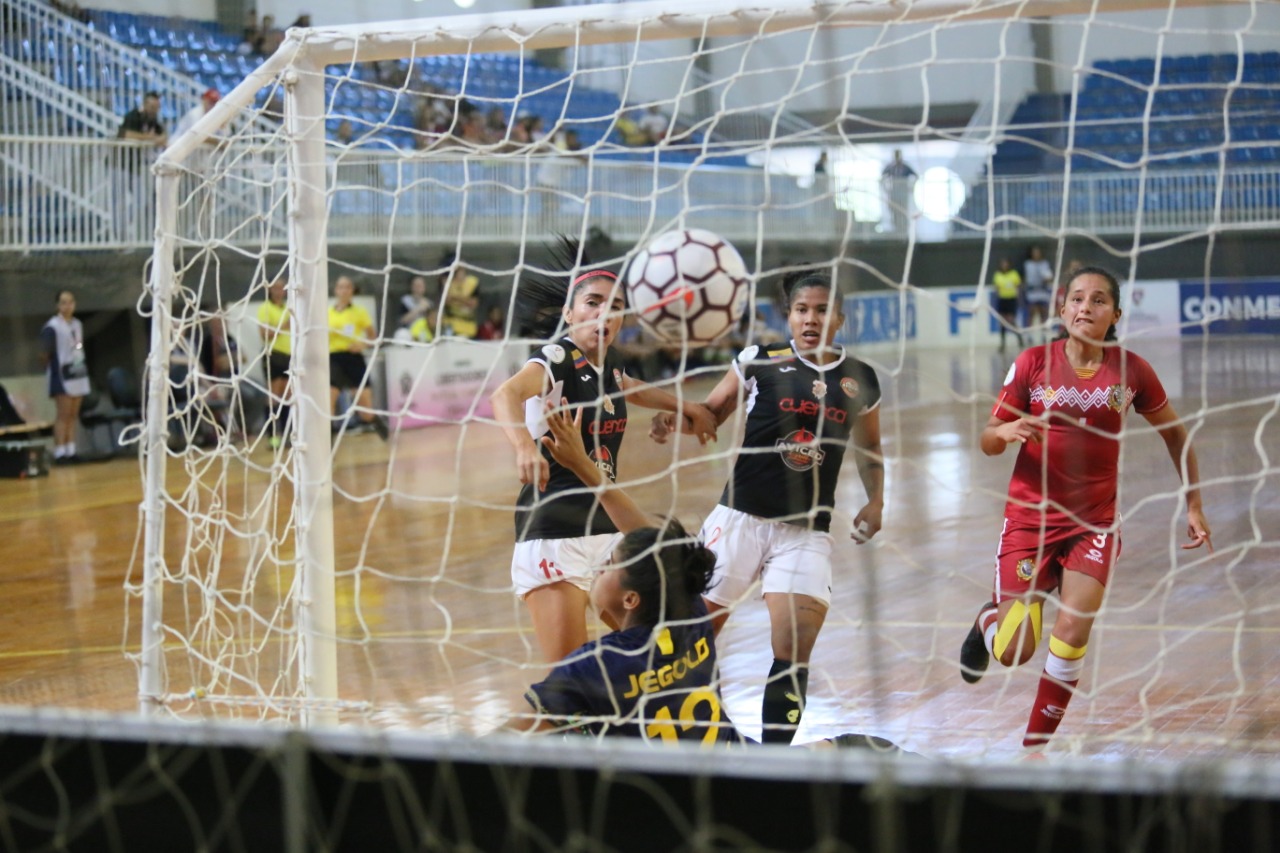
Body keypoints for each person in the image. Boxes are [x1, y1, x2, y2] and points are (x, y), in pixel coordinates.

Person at [958, 266, 1212, 751]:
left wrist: (1194, 504)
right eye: (1076, 299)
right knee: (1014, 650)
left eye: (1098, 301)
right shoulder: (1033, 363)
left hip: (1094, 523)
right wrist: (1004, 434)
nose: (1085, 308)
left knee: (1072, 628)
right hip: (1030, 521)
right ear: (1061, 309)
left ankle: (1034, 750)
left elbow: (1176, 435)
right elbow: (987, 440)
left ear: (1115, 314)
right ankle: (985, 622)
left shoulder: (1131, 370)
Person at [650, 269, 886, 745]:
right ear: (789, 316)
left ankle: (774, 760)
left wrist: (877, 500)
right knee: (691, 635)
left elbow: (870, 450)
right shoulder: (759, 359)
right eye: (802, 310)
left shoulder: (860, 378)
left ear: (839, 317)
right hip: (740, 519)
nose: (811, 318)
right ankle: (660, 731)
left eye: (822, 310)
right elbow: (712, 413)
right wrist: (676, 419)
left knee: (794, 645)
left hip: (806, 532)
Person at [489, 237, 719, 664]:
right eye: (593, 303)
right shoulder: (557, 357)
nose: (603, 314)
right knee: (569, 680)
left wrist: (684, 407)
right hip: (553, 533)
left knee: (658, 653)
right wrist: (524, 447)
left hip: (605, 532)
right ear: (569, 313)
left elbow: (629, 388)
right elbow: (504, 394)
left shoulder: (608, 363)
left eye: (614, 307)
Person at [327, 276, 389, 440]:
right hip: (334, 360)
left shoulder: (359, 312)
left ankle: (385, 436)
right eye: (341, 287)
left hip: (354, 359)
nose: (344, 290)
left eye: (347, 287)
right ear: (336, 290)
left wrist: (361, 345)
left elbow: (373, 338)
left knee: (366, 413)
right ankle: (327, 447)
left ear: (352, 290)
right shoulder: (327, 313)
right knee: (328, 403)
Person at [41, 290, 90, 464]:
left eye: (70, 302)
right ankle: (60, 452)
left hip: (77, 371)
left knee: (73, 415)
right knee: (63, 414)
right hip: (60, 374)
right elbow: (45, 354)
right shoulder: (52, 326)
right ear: (57, 305)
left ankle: (71, 450)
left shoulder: (77, 324)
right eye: (63, 302)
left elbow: (77, 348)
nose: (67, 305)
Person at [257, 274, 292, 449]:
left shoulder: (288, 308)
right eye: (276, 287)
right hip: (273, 354)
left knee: (288, 396)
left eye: (282, 288)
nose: (279, 291)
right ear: (270, 289)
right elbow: (264, 334)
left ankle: (287, 434)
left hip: (289, 356)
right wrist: (284, 327)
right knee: (273, 396)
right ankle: (272, 437)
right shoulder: (265, 308)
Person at [438, 252, 480, 338]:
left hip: (468, 324)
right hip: (451, 323)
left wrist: (455, 298)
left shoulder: (472, 282)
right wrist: (464, 300)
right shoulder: (447, 282)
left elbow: (473, 304)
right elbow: (446, 300)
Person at [1022, 246, 1054, 342]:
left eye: (1038, 252)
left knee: (1043, 313)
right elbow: (1024, 278)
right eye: (1034, 252)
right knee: (1032, 313)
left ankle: (1044, 335)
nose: (1036, 254)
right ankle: (1029, 335)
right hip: (1032, 292)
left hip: (1042, 291)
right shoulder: (1027, 264)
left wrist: (1047, 279)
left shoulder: (1045, 264)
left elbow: (1049, 277)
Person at [991, 257, 1023, 353]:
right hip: (1002, 299)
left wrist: (1018, 299)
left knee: (1011, 320)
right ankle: (1002, 343)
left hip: (1011, 299)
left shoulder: (1013, 274)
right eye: (1003, 263)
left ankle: (1019, 339)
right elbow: (996, 288)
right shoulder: (997, 275)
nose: (1004, 265)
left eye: (1006, 263)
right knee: (1002, 322)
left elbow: (1018, 287)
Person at [880, 149, 916, 232]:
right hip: (893, 193)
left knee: (903, 211)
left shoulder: (905, 167)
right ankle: (896, 229)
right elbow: (882, 177)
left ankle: (904, 230)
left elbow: (915, 176)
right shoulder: (890, 167)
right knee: (894, 210)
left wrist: (912, 187)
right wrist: (886, 188)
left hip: (903, 193)